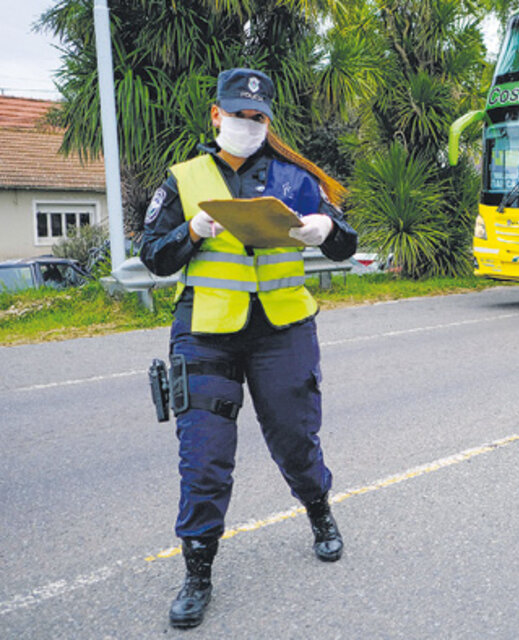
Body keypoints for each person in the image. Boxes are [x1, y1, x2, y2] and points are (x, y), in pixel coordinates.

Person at [140, 68, 357, 629]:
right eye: (238, 115)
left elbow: (346, 244)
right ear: (217, 115)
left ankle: (320, 513)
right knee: (205, 459)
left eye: (257, 117)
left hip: (281, 328)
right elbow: (153, 256)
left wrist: (322, 231)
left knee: (295, 439)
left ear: (267, 122)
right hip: (206, 330)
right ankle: (197, 572)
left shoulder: (295, 178)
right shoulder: (183, 179)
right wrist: (193, 230)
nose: (247, 124)